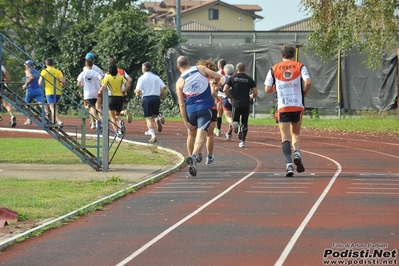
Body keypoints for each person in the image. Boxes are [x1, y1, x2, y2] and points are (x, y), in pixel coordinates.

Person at [264, 44, 312, 177]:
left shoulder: (274, 69)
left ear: (281, 55)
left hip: (283, 105)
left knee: (285, 136)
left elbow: (267, 89)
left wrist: (276, 89)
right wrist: (305, 92)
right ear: (293, 55)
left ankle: (289, 165)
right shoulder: (300, 66)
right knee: (295, 133)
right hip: (297, 104)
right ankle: (297, 153)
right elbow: (308, 81)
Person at [175, 56, 221, 177]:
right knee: (201, 136)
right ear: (189, 63)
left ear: (178, 67)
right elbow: (218, 76)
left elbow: (181, 104)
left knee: (191, 135)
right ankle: (194, 157)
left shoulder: (179, 82)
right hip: (205, 109)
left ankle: (191, 158)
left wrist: (185, 121)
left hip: (190, 111)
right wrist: (214, 82)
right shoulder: (200, 68)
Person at [223, 62, 258, 148]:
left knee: (235, 122)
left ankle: (239, 127)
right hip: (246, 103)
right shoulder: (249, 79)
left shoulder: (232, 78)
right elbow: (256, 93)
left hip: (236, 103)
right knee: (245, 122)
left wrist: (230, 97)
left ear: (236, 69)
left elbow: (224, 90)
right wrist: (251, 96)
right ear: (245, 69)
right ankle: (242, 141)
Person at [134, 62, 167, 143]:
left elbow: (138, 90)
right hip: (156, 97)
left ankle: (153, 135)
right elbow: (164, 87)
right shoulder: (156, 77)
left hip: (147, 98)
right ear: (150, 68)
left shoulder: (141, 78)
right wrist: (160, 95)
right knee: (154, 115)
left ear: (143, 69)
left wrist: (136, 93)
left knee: (148, 118)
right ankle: (156, 119)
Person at [196, 59, 220, 165]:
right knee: (209, 134)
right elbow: (213, 91)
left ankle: (197, 153)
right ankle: (209, 155)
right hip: (211, 107)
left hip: (198, 107)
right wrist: (218, 97)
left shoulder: (196, 79)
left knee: (198, 132)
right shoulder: (212, 80)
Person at [98, 63, 126, 136]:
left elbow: (103, 87)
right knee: (117, 115)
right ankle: (120, 122)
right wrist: (124, 91)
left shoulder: (107, 77)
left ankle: (116, 132)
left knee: (112, 117)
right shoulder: (120, 77)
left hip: (111, 98)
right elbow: (128, 84)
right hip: (120, 98)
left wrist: (99, 91)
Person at [38, 58, 66, 126]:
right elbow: (63, 82)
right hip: (58, 92)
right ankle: (53, 121)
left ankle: (59, 121)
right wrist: (61, 84)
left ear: (46, 64)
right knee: (54, 107)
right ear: (53, 64)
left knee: (52, 107)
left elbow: (40, 83)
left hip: (49, 92)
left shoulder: (44, 71)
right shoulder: (58, 71)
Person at [77, 58, 103, 129]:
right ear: (92, 65)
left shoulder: (83, 73)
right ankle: (101, 120)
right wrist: (100, 85)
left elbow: (78, 83)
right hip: (96, 92)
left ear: (86, 65)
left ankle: (95, 121)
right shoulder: (96, 73)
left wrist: (82, 85)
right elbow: (101, 80)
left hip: (88, 93)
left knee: (91, 107)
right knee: (98, 107)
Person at [108, 57, 133, 124]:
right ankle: (123, 114)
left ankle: (118, 128)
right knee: (118, 112)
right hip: (122, 93)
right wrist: (124, 89)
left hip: (112, 95)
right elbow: (130, 79)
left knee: (114, 114)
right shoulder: (122, 71)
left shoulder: (109, 72)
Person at [22, 60, 45, 125]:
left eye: (25, 65)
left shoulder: (27, 71)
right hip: (38, 89)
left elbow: (31, 78)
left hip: (30, 90)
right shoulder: (37, 71)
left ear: (28, 65)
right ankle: (47, 113)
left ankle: (29, 119)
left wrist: (25, 84)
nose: (25, 66)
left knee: (27, 105)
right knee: (41, 103)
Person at [84, 53, 104, 120]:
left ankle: (93, 122)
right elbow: (103, 77)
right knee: (98, 107)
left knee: (90, 106)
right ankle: (102, 122)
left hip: (88, 91)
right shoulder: (97, 69)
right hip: (98, 90)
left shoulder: (85, 68)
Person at [220, 63, 234, 140]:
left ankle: (233, 125)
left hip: (226, 98)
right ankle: (229, 132)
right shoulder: (235, 78)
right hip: (235, 99)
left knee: (228, 117)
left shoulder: (223, 78)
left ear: (225, 71)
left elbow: (217, 88)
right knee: (232, 116)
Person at [213, 59, 226, 137]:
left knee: (219, 113)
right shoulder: (230, 73)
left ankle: (218, 130)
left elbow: (216, 87)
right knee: (229, 115)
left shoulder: (217, 74)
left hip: (221, 96)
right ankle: (230, 132)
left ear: (219, 65)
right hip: (229, 96)